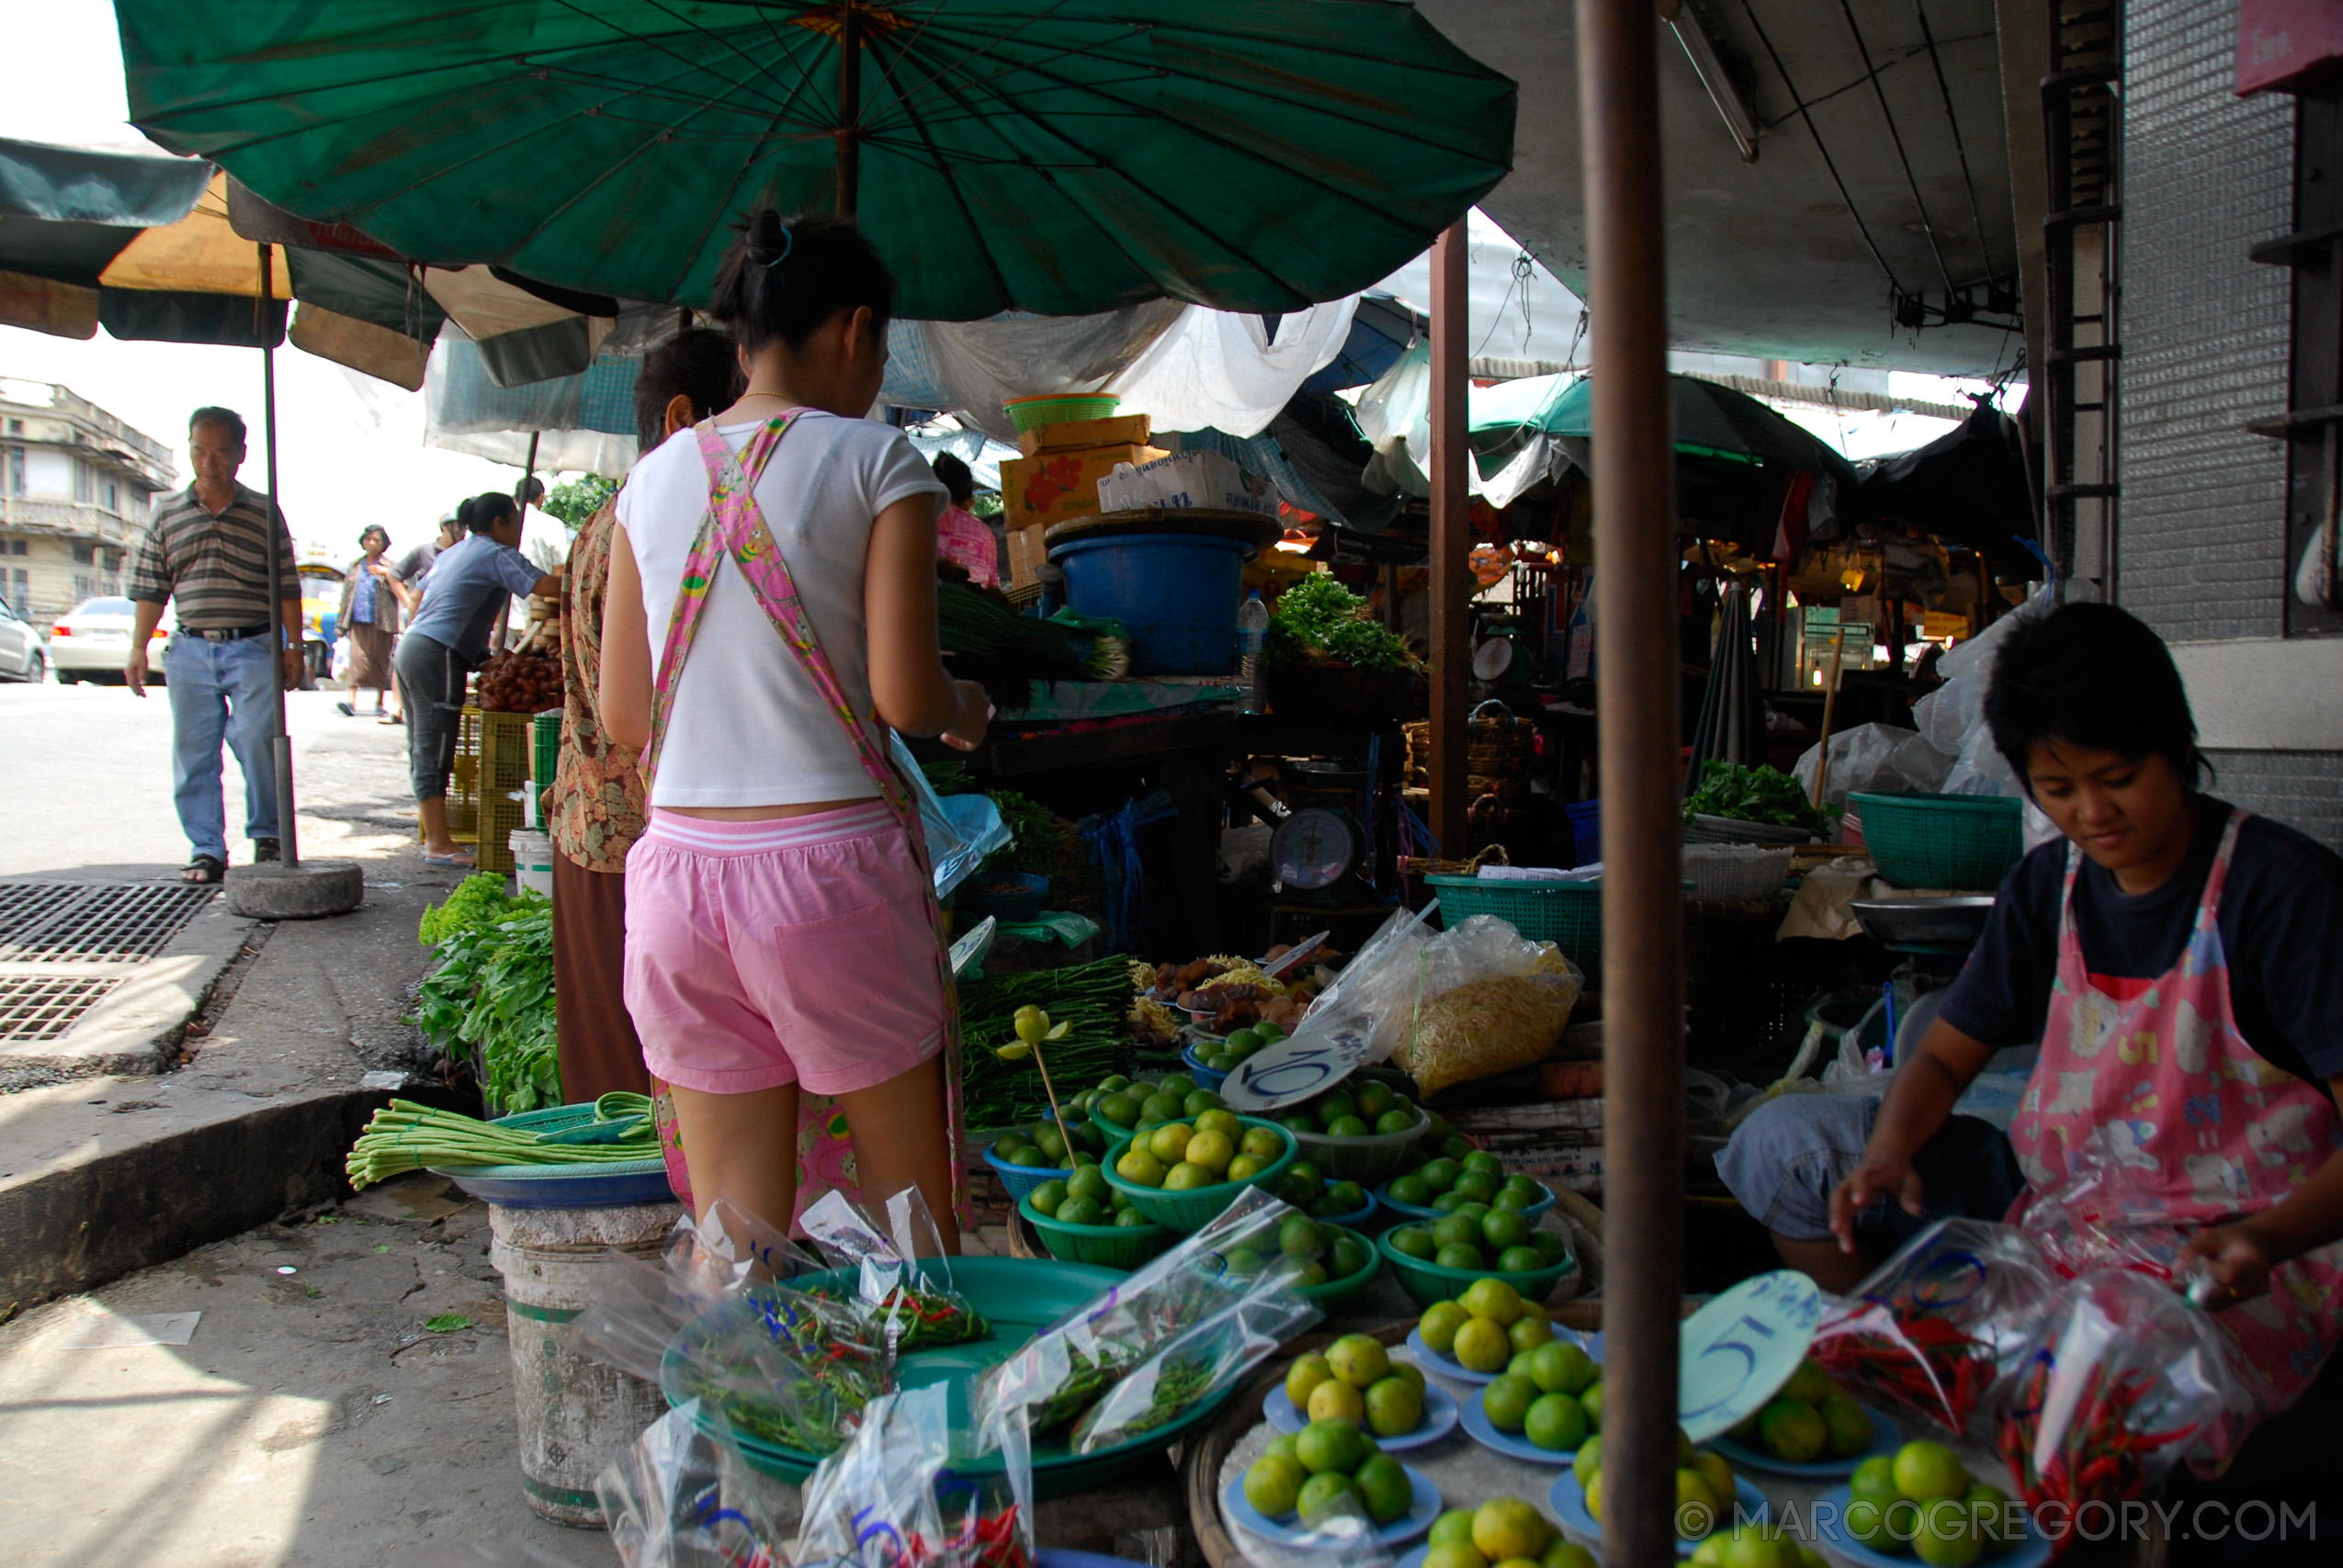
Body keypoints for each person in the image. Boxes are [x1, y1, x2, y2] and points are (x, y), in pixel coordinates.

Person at [1717, 603, 2343, 1425]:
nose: (2093, 812)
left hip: (2230, 1252)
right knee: (1786, 1149)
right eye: (2060, 788)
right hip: (2060, 1208)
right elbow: (1942, 1059)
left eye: (2118, 778)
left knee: (2087, 1376)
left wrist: (2267, 1239)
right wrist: (1889, 1149)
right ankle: (1886, 1399)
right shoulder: (2051, 888)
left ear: (2179, 745)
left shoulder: (2283, 896)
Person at [599, 210, 991, 1244]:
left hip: (679, 882)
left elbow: (623, 716)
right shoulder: (878, 461)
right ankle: (919, 1403)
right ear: (859, 328)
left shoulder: (648, 479)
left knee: (734, 1239)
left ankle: (726, 1401)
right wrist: (968, 712)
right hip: (827, 881)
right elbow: (908, 699)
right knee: (916, 1232)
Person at [548, 328, 741, 1104]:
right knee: (637, 1093)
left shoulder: (616, 518)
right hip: (632, 841)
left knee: (648, 1080)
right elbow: (641, 712)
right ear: (682, 417)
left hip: (608, 831)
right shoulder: (647, 524)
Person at [125, 407, 302, 885]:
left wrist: (294, 645)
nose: (209, 462)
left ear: (241, 454)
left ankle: (268, 836)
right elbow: (150, 586)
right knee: (194, 752)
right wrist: (138, 648)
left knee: (259, 743)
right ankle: (206, 848)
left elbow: (287, 583)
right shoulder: (166, 513)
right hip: (190, 650)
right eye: (200, 451)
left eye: (221, 452)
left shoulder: (264, 511)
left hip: (253, 645)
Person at [395, 492, 558, 867]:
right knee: (435, 747)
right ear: (500, 523)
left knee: (422, 745)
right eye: (514, 522)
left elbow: (417, 598)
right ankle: (437, 843)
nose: (517, 531)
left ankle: (435, 837)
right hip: (437, 651)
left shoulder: (453, 552)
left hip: (415, 646)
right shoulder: (494, 552)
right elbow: (545, 587)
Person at [334, 525, 400, 717]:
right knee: (357, 659)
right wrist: (341, 622)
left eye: (376, 540)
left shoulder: (390, 566)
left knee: (379, 659)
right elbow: (347, 594)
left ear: (383, 544)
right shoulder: (355, 566)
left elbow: (401, 586)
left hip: (382, 621)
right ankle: (351, 701)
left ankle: (379, 702)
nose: (371, 543)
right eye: (368, 539)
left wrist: (386, 574)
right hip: (358, 619)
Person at [930, 452, 998, 588]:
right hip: (975, 605)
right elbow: (993, 587)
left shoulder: (923, 521)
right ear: (968, 500)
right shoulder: (985, 534)